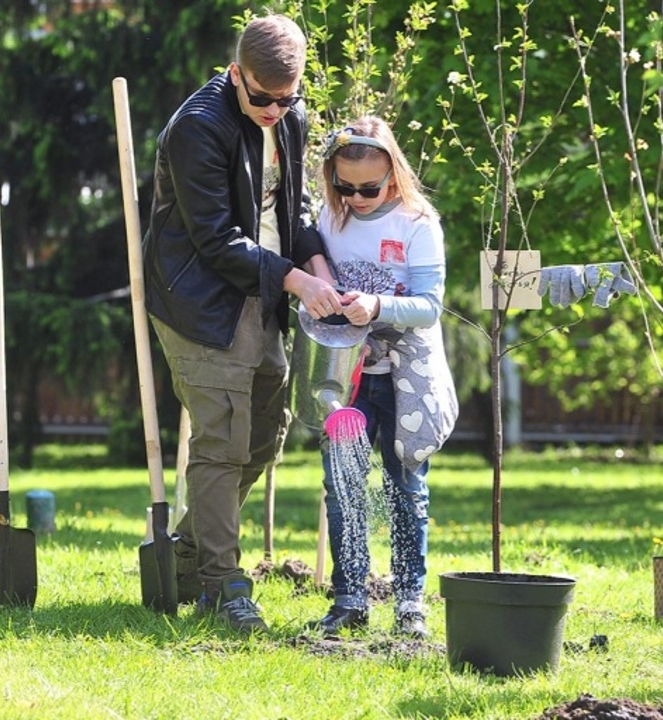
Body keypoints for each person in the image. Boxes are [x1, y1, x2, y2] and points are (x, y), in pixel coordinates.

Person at [142, 13, 343, 633]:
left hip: (268, 292)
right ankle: (223, 586)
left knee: (265, 432)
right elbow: (217, 241)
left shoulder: (290, 116)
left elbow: (295, 203)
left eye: (289, 98)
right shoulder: (198, 127)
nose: (276, 110)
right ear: (236, 74)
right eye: (263, 97)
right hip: (200, 299)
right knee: (223, 439)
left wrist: (316, 265)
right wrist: (300, 280)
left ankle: (184, 556)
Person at [306, 117, 457, 639]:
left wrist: (376, 304)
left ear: (393, 174)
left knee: (405, 484)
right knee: (342, 482)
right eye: (344, 187)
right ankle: (350, 596)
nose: (357, 197)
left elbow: (430, 306)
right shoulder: (331, 219)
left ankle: (409, 598)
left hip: (403, 381)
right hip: (346, 378)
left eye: (368, 188)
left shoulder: (417, 224)